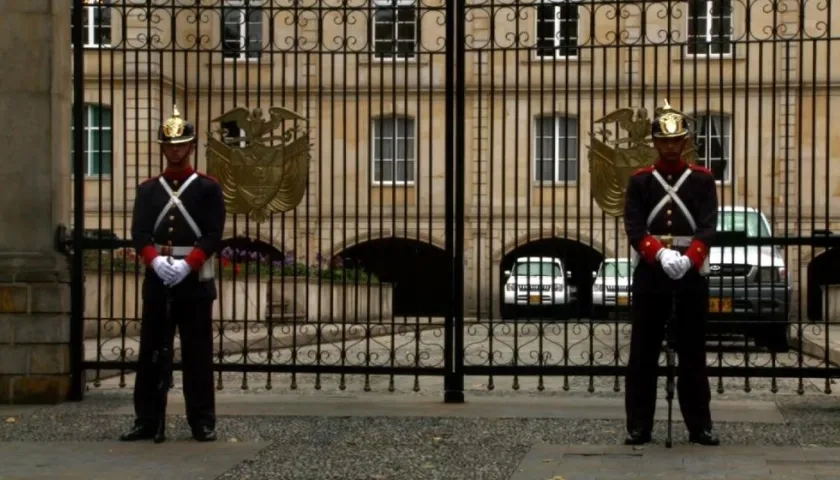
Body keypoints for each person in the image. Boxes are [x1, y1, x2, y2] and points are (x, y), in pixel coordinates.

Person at [120, 106, 226, 443]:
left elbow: (212, 233)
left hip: (192, 279)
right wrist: (154, 261)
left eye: (181, 144)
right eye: (170, 144)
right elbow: (140, 233)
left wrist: (188, 264)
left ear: (191, 146)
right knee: (152, 350)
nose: (175, 149)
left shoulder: (208, 188)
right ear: (163, 148)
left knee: (197, 353)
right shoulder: (149, 189)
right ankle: (147, 419)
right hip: (158, 277)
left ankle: (202, 420)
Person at [622, 100, 720, 446]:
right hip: (652, 272)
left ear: (684, 141)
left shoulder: (702, 181)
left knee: (693, 352)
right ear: (655, 143)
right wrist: (659, 253)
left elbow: (708, 227)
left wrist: (690, 258)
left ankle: (699, 425)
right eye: (664, 141)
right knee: (643, 352)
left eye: (676, 139)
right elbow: (634, 227)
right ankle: (638, 425)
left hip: (689, 274)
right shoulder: (640, 182)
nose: (670, 146)